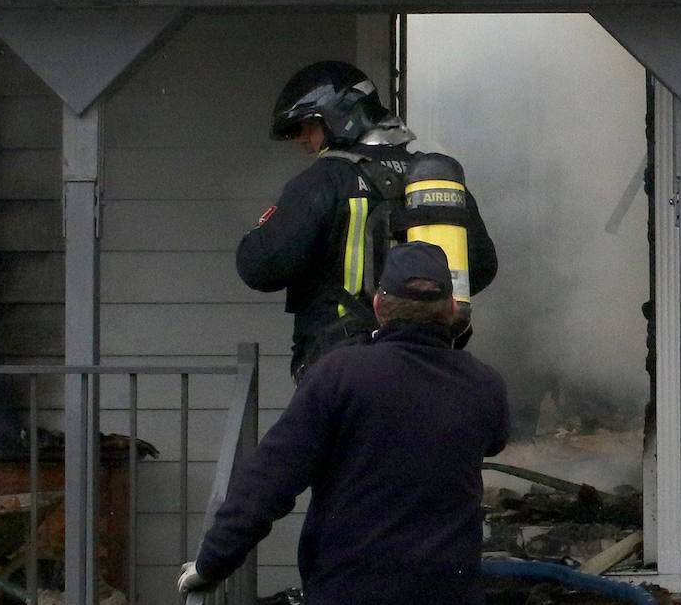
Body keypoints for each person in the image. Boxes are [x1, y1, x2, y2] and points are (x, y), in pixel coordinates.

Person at [178, 241, 510, 605]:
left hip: (348, 589)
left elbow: (267, 482)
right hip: (448, 592)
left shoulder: (339, 375)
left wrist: (212, 563)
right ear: (451, 310)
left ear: (378, 306)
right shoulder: (484, 384)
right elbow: (495, 439)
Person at [236, 60, 498, 379]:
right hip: (429, 366)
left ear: (339, 116)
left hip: (344, 369)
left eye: (304, 125)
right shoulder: (433, 180)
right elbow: (481, 267)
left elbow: (260, 266)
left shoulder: (325, 180)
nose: (299, 139)